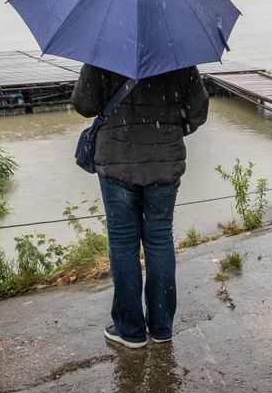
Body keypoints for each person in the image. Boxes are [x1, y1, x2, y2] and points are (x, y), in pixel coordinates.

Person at [71, 64, 209, 348]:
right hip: (164, 164)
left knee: (123, 244)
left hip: (117, 163)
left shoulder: (104, 54)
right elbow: (198, 112)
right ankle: (161, 327)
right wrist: (170, 130)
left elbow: (84, 104)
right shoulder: (176, 56)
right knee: (159, 240)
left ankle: (130, 330)